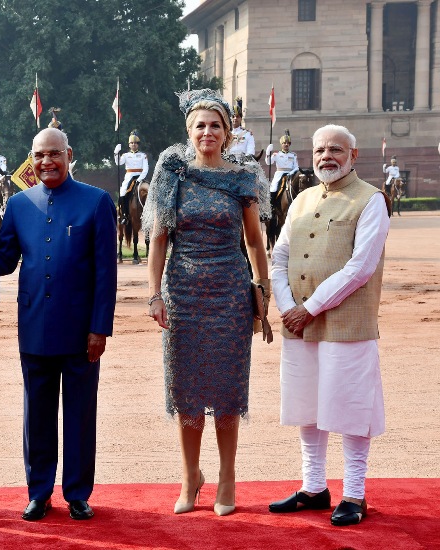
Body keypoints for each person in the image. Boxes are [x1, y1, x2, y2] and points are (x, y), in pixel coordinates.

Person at [0, 127, 116, 522]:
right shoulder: (21, 204)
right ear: (30, 158)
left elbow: (106, 275)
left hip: (81, 332)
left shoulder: (96, 202)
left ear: (69, 154)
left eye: (54, 154)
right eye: (39, 155)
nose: (46, 162)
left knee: (79, 414)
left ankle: (76, 492)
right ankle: (38, 491)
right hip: (36, 328)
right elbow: (3, 259)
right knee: (36, 415)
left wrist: (100, 328)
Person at [144, 89, 271, 517]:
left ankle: (228, 478)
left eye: (215, 125)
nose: (207, 132)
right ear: (189, 131)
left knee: (227, 389)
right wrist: (155, 295)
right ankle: (190, 477)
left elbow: (254, 241)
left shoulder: (242, 178)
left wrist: (262, 290)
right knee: (186, 389)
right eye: (200, 125)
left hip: (230, 295)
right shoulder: (171, 174)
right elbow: (158, 242)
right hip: (182, 295)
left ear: (227, 132)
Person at [268, 124, 390, 527]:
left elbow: (360, 268)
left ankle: (354, 493)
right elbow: (279, 256)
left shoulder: (371, 200)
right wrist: (288, 306)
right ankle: (313, 487)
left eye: (336, 149)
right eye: (320, 149)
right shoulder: (301, 199)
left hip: (345, 324)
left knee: (351, 407)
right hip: (299, 323)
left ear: (353, 155)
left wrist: (310, 308)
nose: (326, 156)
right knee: (308, 405)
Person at [114, 129, 149, 225]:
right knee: (122, 192)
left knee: (149, 190)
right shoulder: (126, 155)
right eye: (131, 143)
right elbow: (118, 163)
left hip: (140, 177)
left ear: (138, 144)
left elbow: (145, 169)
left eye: (135, 143)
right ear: (129, 145)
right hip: (129, 177)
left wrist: (139, 179)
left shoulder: (143, 155)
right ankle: (125, 214)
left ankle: (149, 214)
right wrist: (116, 153)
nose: (133, 144)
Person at [266, 129, 299, 205]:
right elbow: (268, 162)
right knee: (273, 188)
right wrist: (268, 152)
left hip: (291, 174)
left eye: (287, 143)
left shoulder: (293, 155)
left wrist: (291, 173)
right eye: (284, 143)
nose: (286, 144)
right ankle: (272, 206)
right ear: (281, 144)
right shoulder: (277, 154)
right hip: (279, 174)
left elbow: (296, 167)